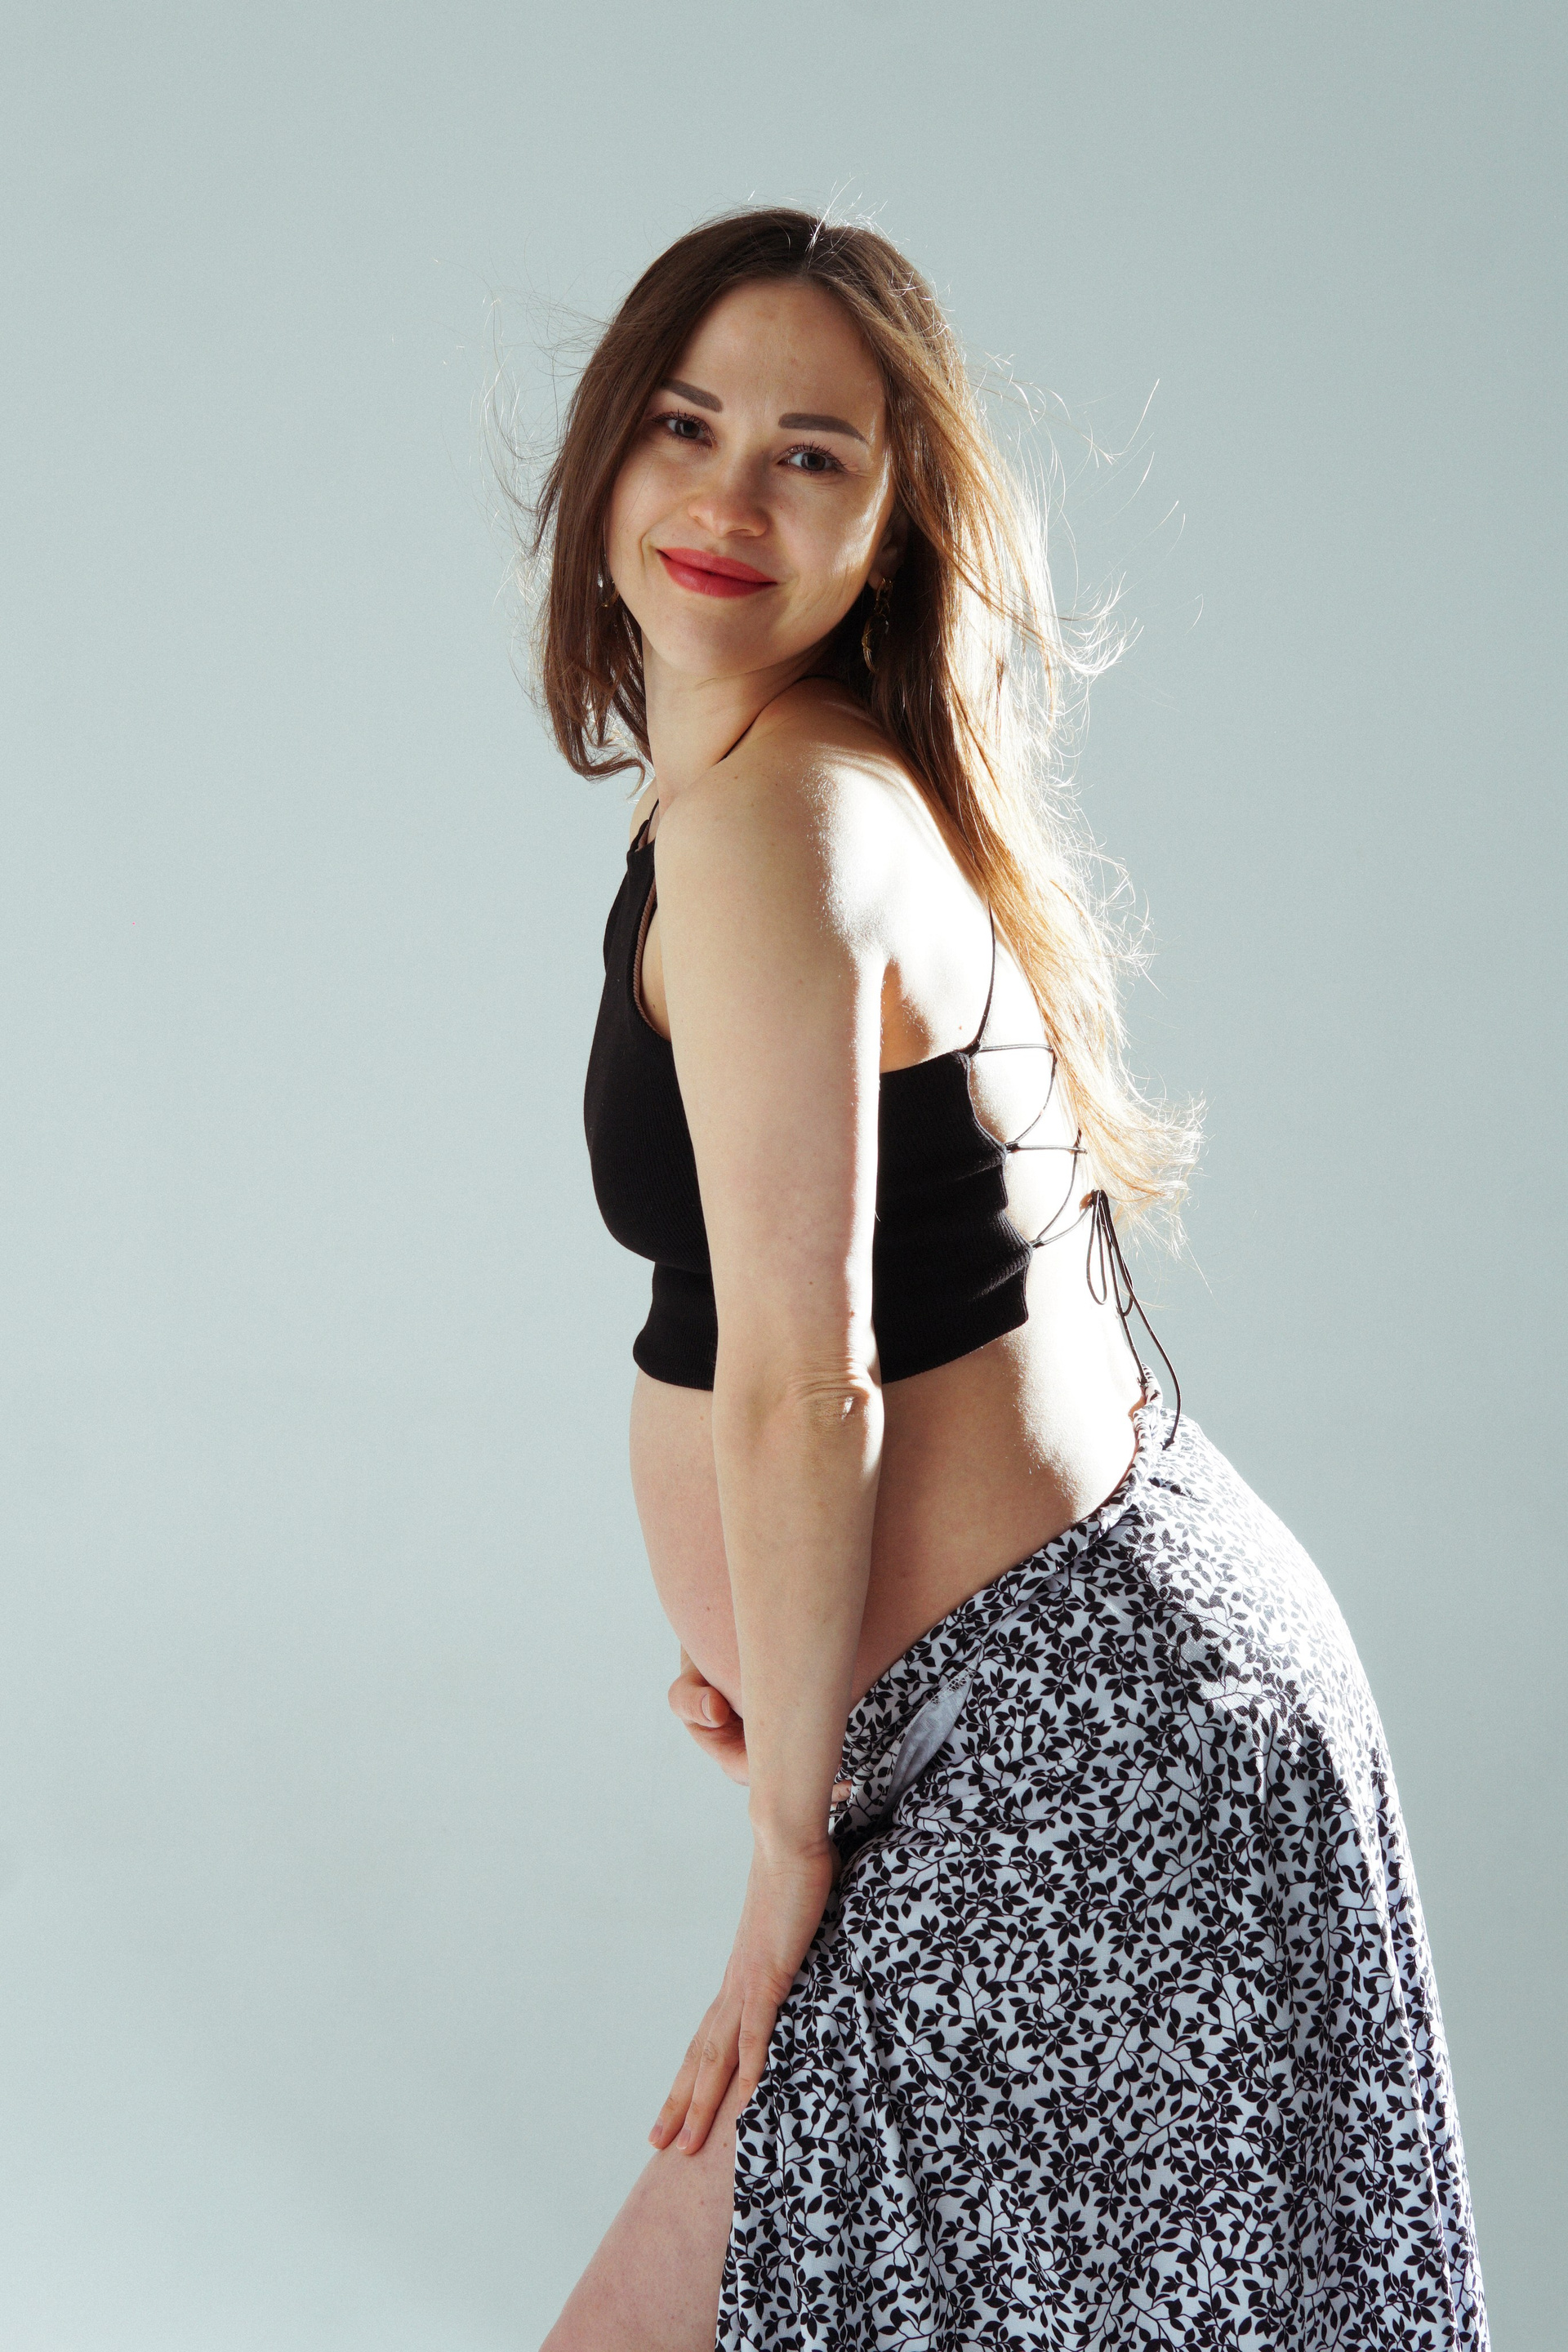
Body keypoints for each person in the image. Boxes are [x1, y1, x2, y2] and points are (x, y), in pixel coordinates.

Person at [523, 208, 1486, 2350]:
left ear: (894, 530)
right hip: (1060, 1723)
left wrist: (788, 1846)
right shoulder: (787, 788)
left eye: (811, 456)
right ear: (601, 459)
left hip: (1081, 1760)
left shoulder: (783, 824)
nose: (729, 496)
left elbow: (809, 1386)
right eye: (686, 424)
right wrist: (801, 1673)